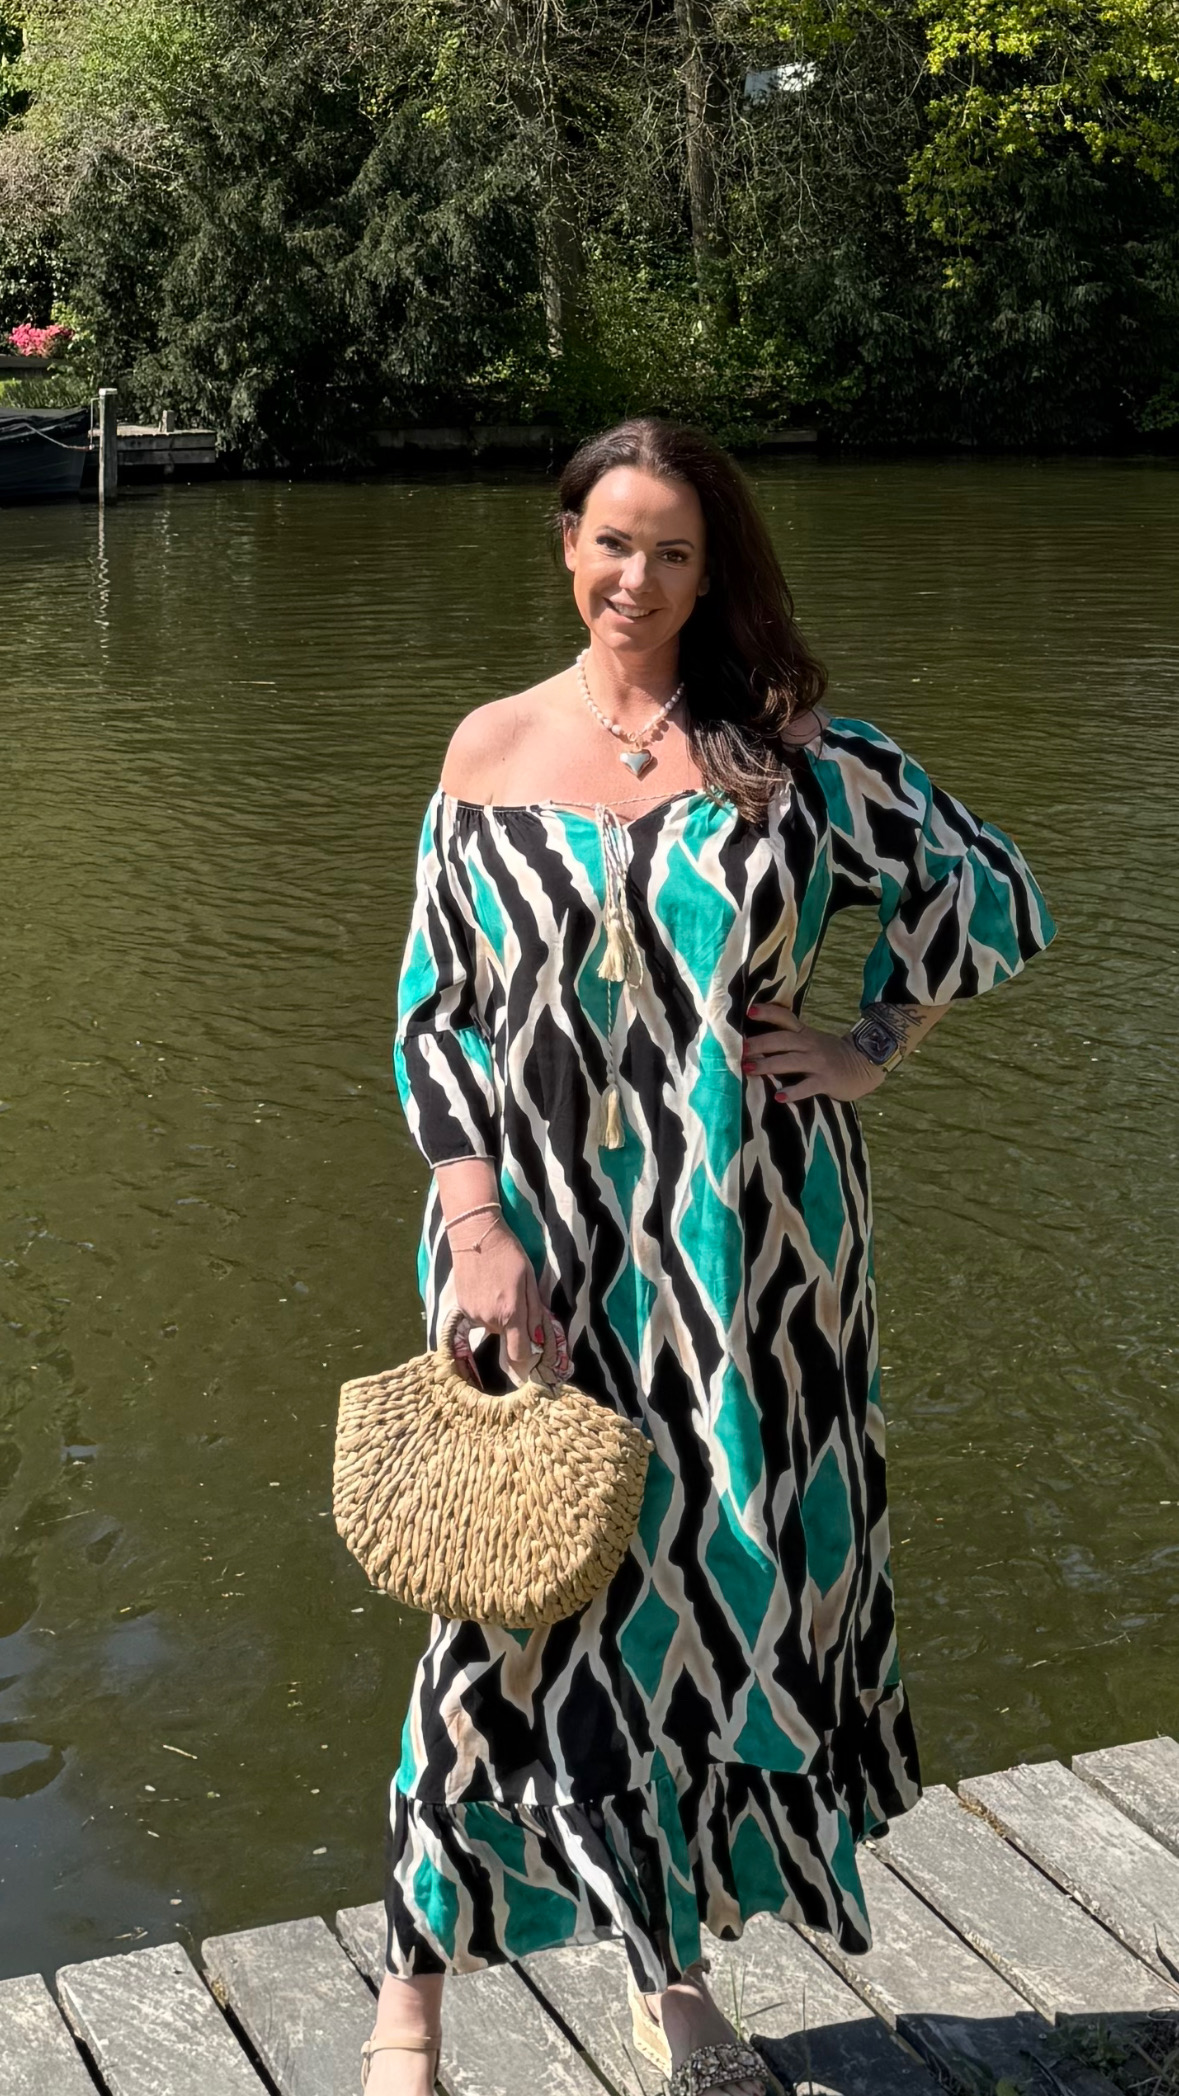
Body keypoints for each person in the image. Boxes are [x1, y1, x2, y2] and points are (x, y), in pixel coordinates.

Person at [364, 418, 1056, 2096]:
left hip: (754, 1255)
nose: (638, 579)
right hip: (534, 1247)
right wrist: (475, 1227)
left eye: (674, 552)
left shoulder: (785, 751)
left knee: (695, 1606)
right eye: (614, 541)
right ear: (566, 542)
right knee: (502, 1608)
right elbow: (435, 1017)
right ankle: (411, 2002)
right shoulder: (490, 746)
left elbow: (986, 889)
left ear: (711, 568)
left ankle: (670, 1983)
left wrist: (872, 1042)